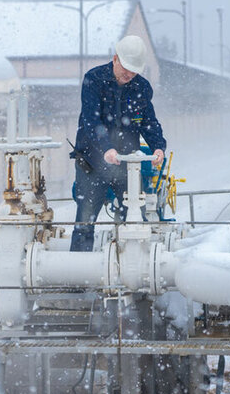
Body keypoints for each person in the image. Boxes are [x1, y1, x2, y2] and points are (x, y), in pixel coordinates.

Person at [69, 35, 166, 252]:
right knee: (85, 220)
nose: (129, 74)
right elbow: (92, 121)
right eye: (126, 68)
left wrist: (158, 146)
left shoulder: (141, 87)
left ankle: (133, 264)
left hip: (126, 165)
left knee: (134, 218)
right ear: (115, 59)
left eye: (134, 71)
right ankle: (78, 268)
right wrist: (106, 148)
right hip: (92, 163)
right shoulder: (94, 80)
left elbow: (149, 122)